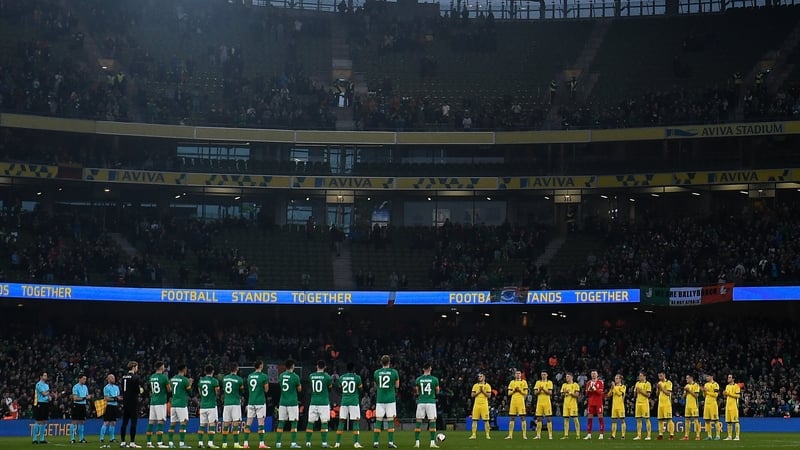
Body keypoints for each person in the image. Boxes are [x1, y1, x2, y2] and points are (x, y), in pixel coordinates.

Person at [372, 355, 400, 448]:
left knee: (378, 421)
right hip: (390, 400)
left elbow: (375, 386)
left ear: (381, 362)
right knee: (390, 421)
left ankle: (376, 443)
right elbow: (397, 386)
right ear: (389, 362)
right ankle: (391, 443)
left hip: (380, 400)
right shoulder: (394, 372)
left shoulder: (376, 372)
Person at [335, 362, 363, 449]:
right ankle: (356, 443)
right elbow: (361, 389)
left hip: (344, 402)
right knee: (355, 422)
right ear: (353, 369)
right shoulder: (357, 378)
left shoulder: (342, 377)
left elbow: (338, 387)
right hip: (354, 402)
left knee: (341, 422)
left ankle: (337, 443)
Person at [306, 360, 333, 447]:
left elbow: (311, 386)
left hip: (313, 402)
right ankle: (324, 443)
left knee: (310, 422)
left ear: (317, 366)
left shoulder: (311, 376)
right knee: (324, 423)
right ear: (324, 367)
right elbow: (330, 388)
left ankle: (308, 443)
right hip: (324, 403)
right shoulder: (328, 377)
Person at [243, 361, 269, 449]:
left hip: (251, 402)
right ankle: (261, 443)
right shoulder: (264, 376)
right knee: (261, 424)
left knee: (248, 424)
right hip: (260, 402)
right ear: (261, 366)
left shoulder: (249, 376)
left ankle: (245, 443)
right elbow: (266, 390)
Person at [413, 361, 440, 449]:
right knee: (432, 421)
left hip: (421, 402)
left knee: (418, 422)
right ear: (430, 368)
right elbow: (437, 391)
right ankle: (432, 442)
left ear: (423, 369)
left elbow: (417, 392)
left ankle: (417, 443)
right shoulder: (435, 379)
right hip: (430, 402)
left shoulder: (418, 379)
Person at [276, 359, 302, 449]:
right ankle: (293, 443)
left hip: (283, 402)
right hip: (292, 402)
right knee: (294, 423)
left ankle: (278, 443)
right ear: (292, 366)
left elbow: (281, 386)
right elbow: (299, 389)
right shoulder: (295, 376)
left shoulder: (281, 375)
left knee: (281, 423)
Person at [167, 364, 193, 448]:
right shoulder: (185, 380)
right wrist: (190, 383)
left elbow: (170, 390)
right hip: (181, 404)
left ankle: (170, 443)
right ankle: (182, 443)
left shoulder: (172, 379)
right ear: (184, 369)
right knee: (183, 422)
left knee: (172, 424)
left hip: (173, 404)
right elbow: (190, 393)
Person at [146, 361, 171, 448]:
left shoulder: (152, 377)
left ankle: (149, 443)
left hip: (153, 401)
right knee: (161, 421)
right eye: (163, 366)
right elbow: (169, 390)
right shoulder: (164, 377)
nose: (164, 368)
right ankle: (160, 443)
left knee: (151, 422)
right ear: (161, 367)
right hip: (160, 402)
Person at [221, 363, 245, 449]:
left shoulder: (225, 378)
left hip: (227, 403)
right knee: (235, 423)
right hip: (235, 403)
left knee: (226, 424)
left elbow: (224, 389)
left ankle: (224, 444)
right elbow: (242, 392)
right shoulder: (239, 379)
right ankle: (236, 444)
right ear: (237, 369)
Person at [121, 361, 143, 448]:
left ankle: (123, 442)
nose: (137, 369)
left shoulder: (123, 377)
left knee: (124, 422)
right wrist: (140, 390)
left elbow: (123, 388)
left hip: (125, 401)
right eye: (137, 367)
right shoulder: (135, 377)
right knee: (133, 422)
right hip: (133, 402)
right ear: (133, 367)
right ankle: (132, 442)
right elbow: (137, 390)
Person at [198, 364, 220, 448]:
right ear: (213, 371)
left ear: (205, 371)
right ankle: (210, 443)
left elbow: (200, 392)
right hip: (211, 405)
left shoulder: (201, 380)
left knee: (202, 424)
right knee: (212, 424)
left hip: (203, 405)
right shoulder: (214, 381)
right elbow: (217, 392)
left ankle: (200, 443)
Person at [505, 370, 528, 440]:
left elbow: (526, 393)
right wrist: (514, 391)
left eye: (519, 373)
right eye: (516, 373)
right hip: (513, 401)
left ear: (521, 375)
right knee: (512, 417)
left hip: (521, 401)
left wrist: (520, 391)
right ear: (514, 375)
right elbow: (509, 393)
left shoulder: (524, 382)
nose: (518, 375)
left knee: (523, 417)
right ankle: (510, 435)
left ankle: (524, 435)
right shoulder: (512, 382)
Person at [100, 373, 122, 448]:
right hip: (108, 406)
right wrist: (115, 398)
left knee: (113, 422)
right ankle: (101, 438)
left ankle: (112, 438)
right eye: (112, 378)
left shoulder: (117, 387)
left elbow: (118, 396)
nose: (113, 379)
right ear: (108, 379)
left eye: (114, 378)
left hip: (115, 406)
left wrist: (120, 398)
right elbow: (106, 398)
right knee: (106, 422)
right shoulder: (106, 388)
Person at [469, 373, 491, 440]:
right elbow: (472, 395)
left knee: (486, 420)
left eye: (481, 376)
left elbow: (489, 396)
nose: (479, 377)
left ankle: (487, 435)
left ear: (484, 377)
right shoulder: (475, 385)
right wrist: (479, 391)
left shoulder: (487, 385)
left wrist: (483, 391)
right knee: (474, 420)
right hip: (476, 404)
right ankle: (473, 434)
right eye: (479, 376)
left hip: (484, 404)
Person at [584, 370, 605, 439]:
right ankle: (589, 434)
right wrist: (589, 390)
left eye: (594, 374)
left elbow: (601, 393)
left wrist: (595, 389)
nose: (593, 375)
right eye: (592, 374)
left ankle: (601, 434)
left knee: (600, 418)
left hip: (598, 402)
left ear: (597, 375)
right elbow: (587, 393)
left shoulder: (600, 382)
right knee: (589, 418)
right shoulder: (588, 383)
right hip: (591, 403)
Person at [533, 370, 553, 440]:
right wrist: (539, 390)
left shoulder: (549, 382)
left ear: (547, 375)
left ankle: (550, 435)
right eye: (542, 374)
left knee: (548, 418)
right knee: (539, 418)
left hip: (547, 402)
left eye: (544, 374)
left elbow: (550, 393)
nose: (543, 376)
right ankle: (538, 435)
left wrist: (543, 389)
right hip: (539, 402)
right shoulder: (538, 382)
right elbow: (535, 393)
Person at [71, 374, 90, 444]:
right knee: (74, 422)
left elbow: (87, 395)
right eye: (84, 378)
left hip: (83, 405)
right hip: (76, 405)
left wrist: (88, 397)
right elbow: (75, 398)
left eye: (85, 379)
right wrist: (85, 398)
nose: (85, 380)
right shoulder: (75, 387)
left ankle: (81, 438)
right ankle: (72, 438)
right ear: (80, 379)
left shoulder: (85, 387)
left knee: (82, 422)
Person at [559, 372, 580, 440]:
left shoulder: (575, 385)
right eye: (566, 377)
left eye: (568, 376)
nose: (566, 378)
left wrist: (570, 393)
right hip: (566, 404)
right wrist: (564, 393)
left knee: (575, 419)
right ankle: (566, 435)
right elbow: (561, 395)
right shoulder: (564, 385)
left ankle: (578, 435)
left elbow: (577, 395)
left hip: (573, 404)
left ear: (572, 377)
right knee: (566, 419)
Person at [633, 371, 652, 441]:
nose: (639, 377)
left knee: (646, 419)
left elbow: (648, 395)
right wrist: (635, 392)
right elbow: (635, 396)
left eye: (641, 376)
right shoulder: (637, 383)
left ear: (644, 376)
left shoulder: (648, 384)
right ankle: (639, 435)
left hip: (644, 404)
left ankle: (649, 435)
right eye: (639, 375)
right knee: (638, 420)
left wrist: (641, 391)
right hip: (638, 403)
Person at [32, 371, 51, 445]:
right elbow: (44, 393)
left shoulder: (47, 385)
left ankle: (42, 439)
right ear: (41, 376)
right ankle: (34, 439)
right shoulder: (38, 384)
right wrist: (49, 392)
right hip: (39, 403)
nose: (46, 376)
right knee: (38, 421)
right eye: (45, 375)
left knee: (44, 421)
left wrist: (50, 398)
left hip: (45, 403)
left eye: (46, 375)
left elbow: (47, 395)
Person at [702, 373, 721, 440]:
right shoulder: (706, 384)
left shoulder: (716, 384)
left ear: (711, 377)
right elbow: (704, 396)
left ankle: (718, 435)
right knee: (707, 420)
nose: (706, 377)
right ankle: (709, 435)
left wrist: (707, 392)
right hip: (706, 404)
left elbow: (716, 395)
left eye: (708, 376)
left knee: (716, 420)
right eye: (706, 376)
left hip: (713, 404)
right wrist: (704, 392)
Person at [655, 371, 674, 440]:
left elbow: (668, 393)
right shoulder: (659, 383)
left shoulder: (668, 382)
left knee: (669, 419)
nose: (660, 377)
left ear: (664, 375)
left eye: (661, 376)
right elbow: (657, 394)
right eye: (659, 376)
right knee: (660, 420)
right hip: (660, 404)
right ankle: (660, 435)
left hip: (667, 404)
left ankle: (671, 435)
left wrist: (661, 388)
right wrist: (658, 389)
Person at [607, 374, 626, 439]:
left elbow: (619, 394)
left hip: (620, 406)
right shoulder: (614, 387)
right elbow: (609, 395)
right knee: (614, 421)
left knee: (622, 420)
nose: (615, 379)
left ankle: (623, 435)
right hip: (614, 406)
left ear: (620, 379)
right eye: (615, 378)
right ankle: (613, 436)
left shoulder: (623, 386)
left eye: (617, 378)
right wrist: (611, 389)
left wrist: (614, 387)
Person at [682, 374, 701, 441]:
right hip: (687, 406)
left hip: (694, 406)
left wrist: (689, 391)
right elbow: (683, 397)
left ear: (691, 378)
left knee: (696, 421)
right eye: (686, 378)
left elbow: (696, 396)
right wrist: (685, 392)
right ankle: (686, 436)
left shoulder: (696, 385)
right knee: (687, 421)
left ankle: (698, 435)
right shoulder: (686, 386)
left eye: (687, 378)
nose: (686, 379)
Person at [722, 374, 740, 441]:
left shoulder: (736, 386)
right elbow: (727, 396)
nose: (728, 378)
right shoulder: (727, 386)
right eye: (728, 377)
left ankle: (737, 436)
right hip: (728, 406)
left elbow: (738, 396)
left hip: (734, 406)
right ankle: (729, 436)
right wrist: (724, 395)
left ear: (733, 379)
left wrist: (728, 394)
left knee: (736, 421)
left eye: (729, 377)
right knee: (729, 422)